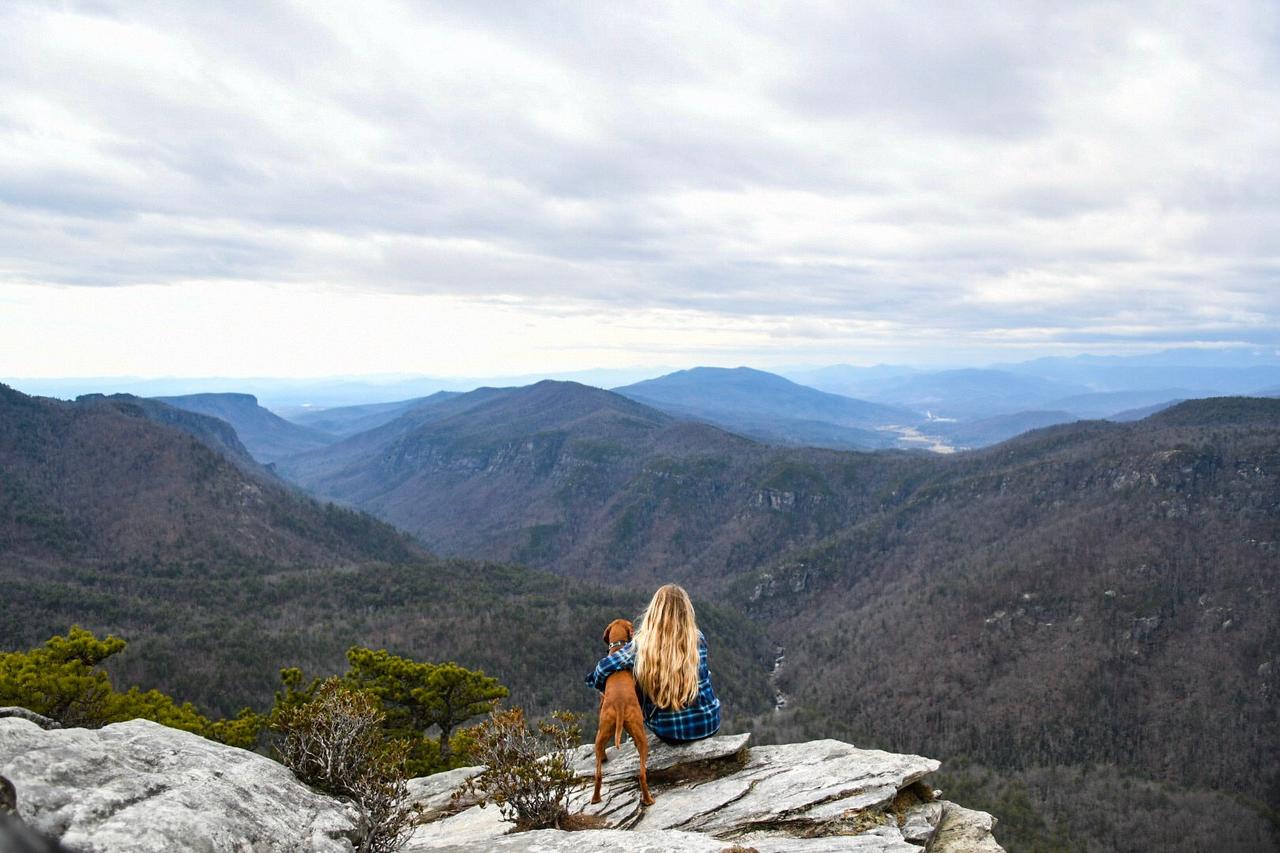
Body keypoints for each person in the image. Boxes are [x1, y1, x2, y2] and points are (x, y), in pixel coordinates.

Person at [585, 583, 721, 744]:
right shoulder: (697, 638)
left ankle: (631, 734)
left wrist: (606, 685)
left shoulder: (641, 645)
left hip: (670, 730)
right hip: (709, 723)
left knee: (633, 673)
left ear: (654, 612)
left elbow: (602, 669)